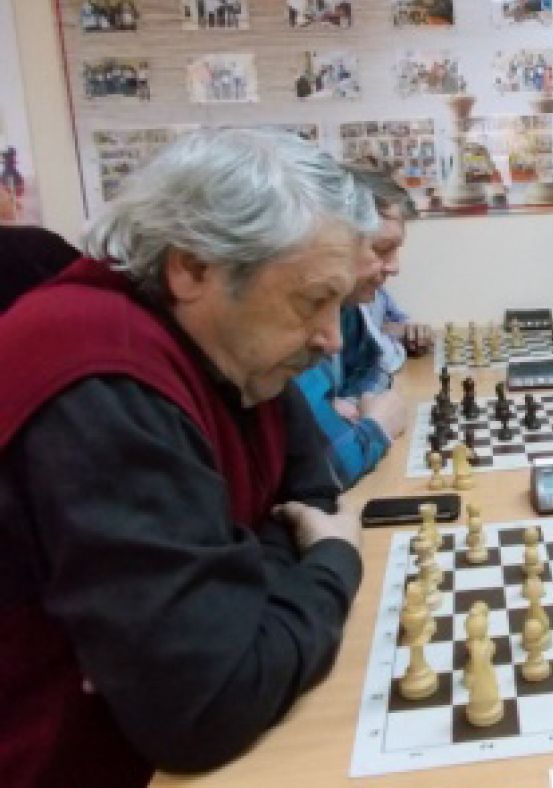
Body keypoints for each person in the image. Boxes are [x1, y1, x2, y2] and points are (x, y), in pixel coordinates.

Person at [0, 129, 375, 785]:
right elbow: (207, 706)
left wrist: (234, 591)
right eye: (313, 300)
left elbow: (310, 498)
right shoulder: (101, 375)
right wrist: (334, 561)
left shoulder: (239, 356)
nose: (330, 338)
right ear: (194, 268)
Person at [293, 167, 415, 489]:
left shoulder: (346, 307)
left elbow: (373, 366)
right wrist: (377, 425)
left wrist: (345, 404)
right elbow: (322, 467)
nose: (394, 267)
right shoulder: (290, 328)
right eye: (381, 249)